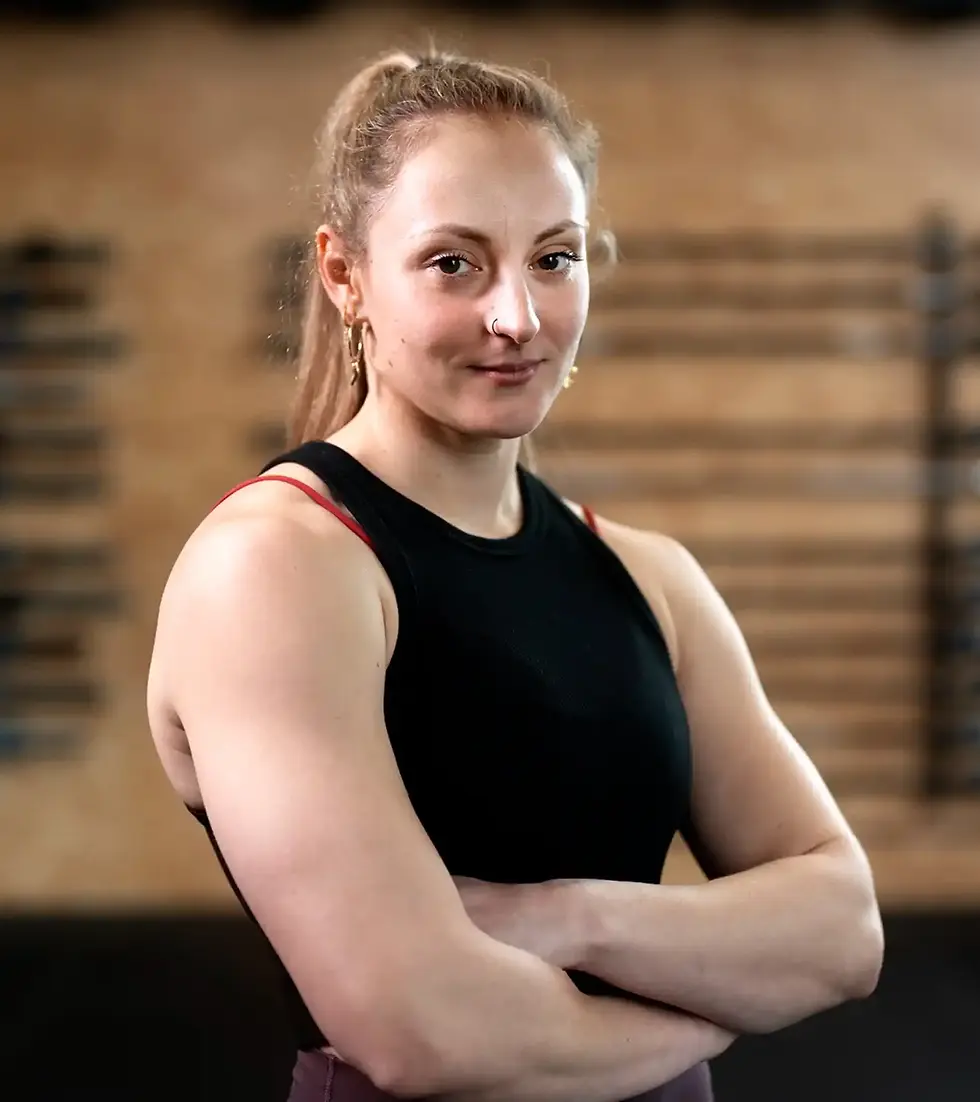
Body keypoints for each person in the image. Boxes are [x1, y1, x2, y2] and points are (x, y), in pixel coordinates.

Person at [146, 49, 884, 1102]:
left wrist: (567, 916)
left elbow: (842, 928)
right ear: (343, 273)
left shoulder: (648, 576)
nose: (517, 318)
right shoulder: (277, 565)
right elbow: (422, 1032)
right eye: (454, 263)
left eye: (553, 257)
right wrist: (712, 1011)